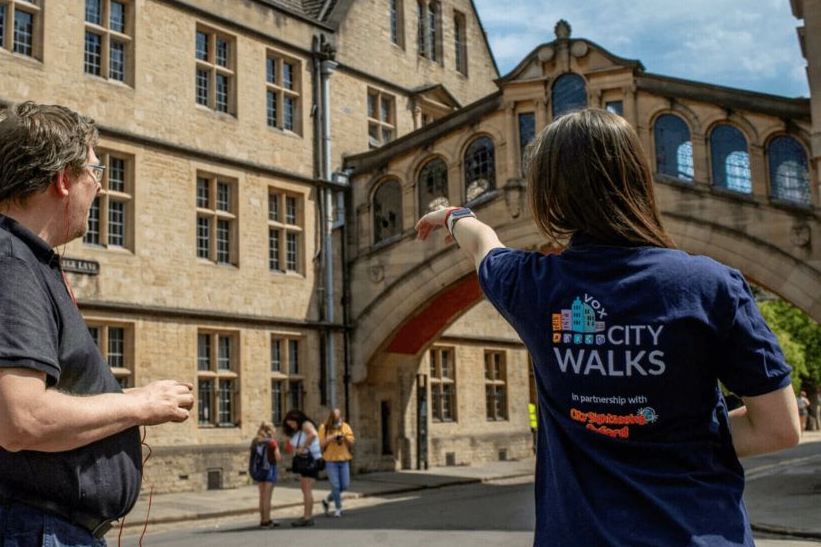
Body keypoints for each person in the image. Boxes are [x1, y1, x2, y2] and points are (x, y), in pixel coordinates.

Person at [415, 108, 801, 547]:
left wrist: (454, 215)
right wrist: (674, 433)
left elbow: (482, 242)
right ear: (638, 180)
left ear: (550, 198)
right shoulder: (712, 286)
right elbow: (779, 428)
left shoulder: (530, 285)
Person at [0, 102, 195, 546]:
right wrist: (139, 404)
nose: (100, 187)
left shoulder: (13, 258)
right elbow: (20, 419)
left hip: (22, 523)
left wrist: (122, 403)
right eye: (95, 170)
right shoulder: (4, 259)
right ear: (63, 180)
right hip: (17, 526)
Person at [282, 410, 322, 527]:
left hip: (310, 460)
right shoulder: (300, 430)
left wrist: (303, 446)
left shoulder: (305, 424)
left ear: (296, 419)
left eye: (292, 423)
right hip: (306, 461)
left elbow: (313, 434)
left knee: (307, 488)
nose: (291, 426)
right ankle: (307, 515)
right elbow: (294, 448)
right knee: (305, 488)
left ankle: (307, 517)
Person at [318, 409, 355, 517]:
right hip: (330, 461)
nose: (338, 422)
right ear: (331, 419)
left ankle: (326, 499)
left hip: (344, 460)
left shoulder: (345, 426)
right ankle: (338, 509)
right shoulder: (323, 428)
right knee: (335, 485)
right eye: (336, 420)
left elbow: (351, 442)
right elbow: (321, 445)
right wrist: (330, 438)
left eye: (339, 419)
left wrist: (344, 438)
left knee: (344, 485)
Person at [251, 421, 281, 529]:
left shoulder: (256, 441)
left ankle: (262, 519)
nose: (274, 430)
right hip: (269, 470)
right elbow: (278, 458)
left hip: (259, 471)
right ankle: (266, 521)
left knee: (262, 497)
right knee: (267, 498)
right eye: (273, 428)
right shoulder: (272, 442)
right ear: (269, 431)